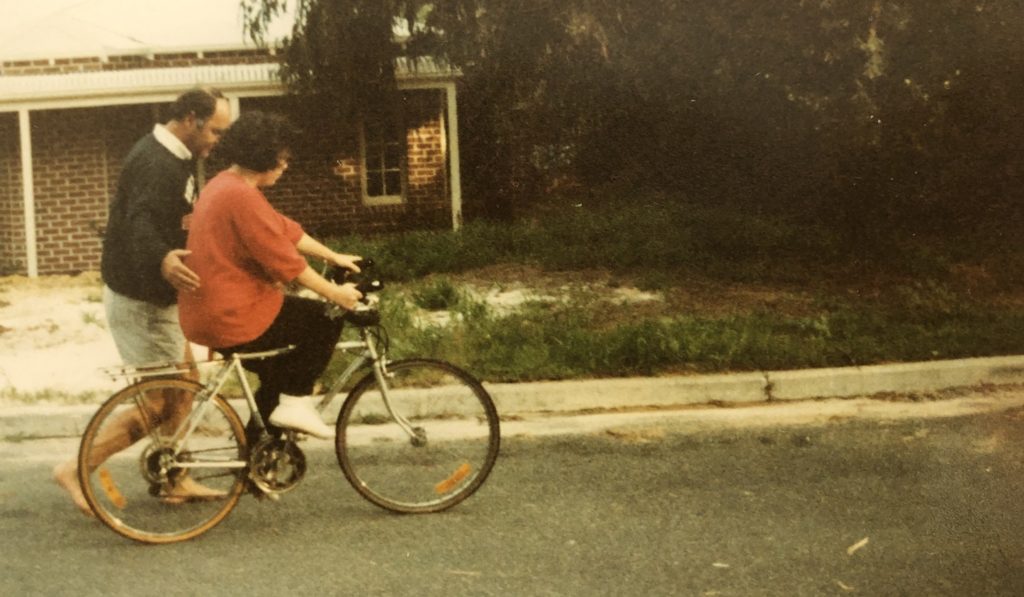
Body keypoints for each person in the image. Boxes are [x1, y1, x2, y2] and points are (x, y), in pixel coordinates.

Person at [53, 88, 234, 516]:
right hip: (140, 301)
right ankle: (76, 470)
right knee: (156, 402)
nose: (217, 141)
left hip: (154, 297)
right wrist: (162, 256)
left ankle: (175, 477)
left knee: (186, 383)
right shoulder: (155, 161)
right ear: (191, 119)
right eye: (215, 131)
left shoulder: (172, 153)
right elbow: (139, 223)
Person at [178, 110, 363, 441]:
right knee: (325, 318)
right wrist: (336, 295)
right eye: (281, 159)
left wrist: (333, 256)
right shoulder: (240, 196)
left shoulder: (225, 184)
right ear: (262, 156)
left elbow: (284, 230)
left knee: (282, 370)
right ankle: (295, 404)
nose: (285, 165)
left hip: (210, 312)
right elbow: (285, 262)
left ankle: (258, 453)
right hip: (231, 315)